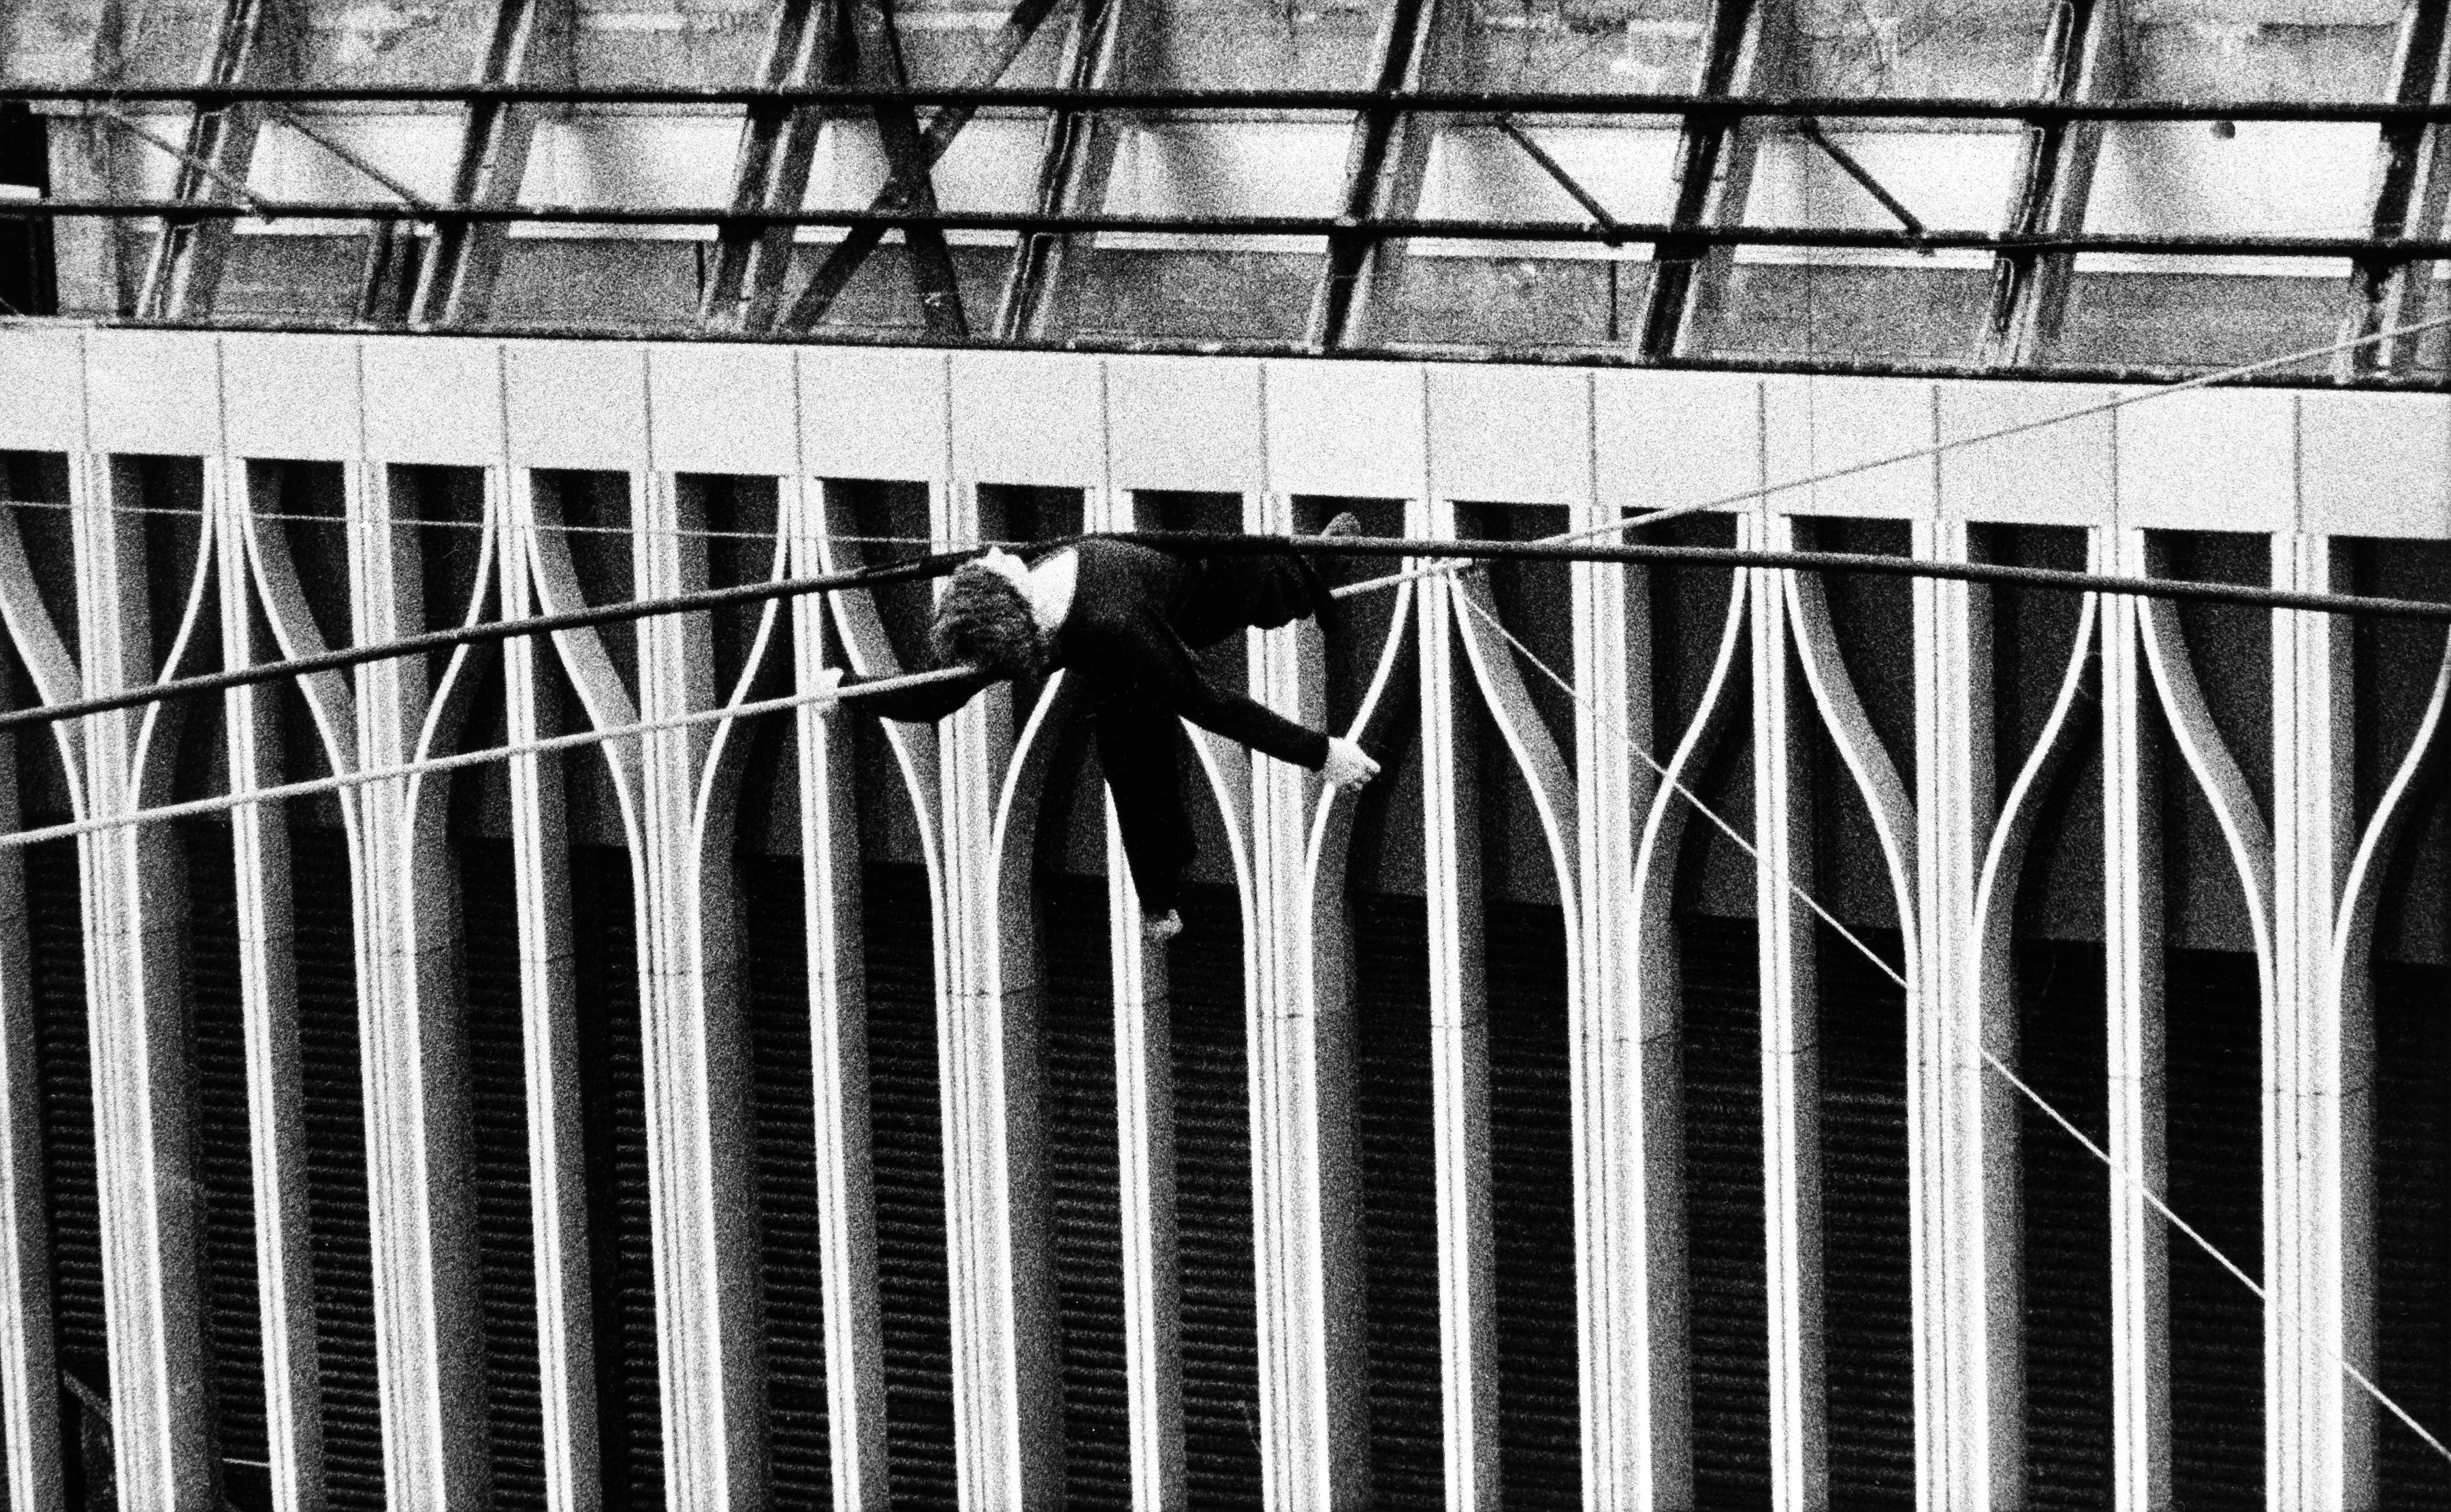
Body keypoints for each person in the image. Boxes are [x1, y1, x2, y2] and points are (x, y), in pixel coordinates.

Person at [837, 519, 1381, 942]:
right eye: (999, 566)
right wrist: (844, 686)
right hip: (1128, 632)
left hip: (1212, 583)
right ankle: (1159, 897)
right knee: (1124, 748)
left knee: (1289, 581)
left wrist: (1322, 752)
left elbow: (1209, 701)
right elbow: (935, 696)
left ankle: (1323, 556)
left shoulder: (1083, 615)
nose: (999, 554)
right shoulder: (1046, 622)